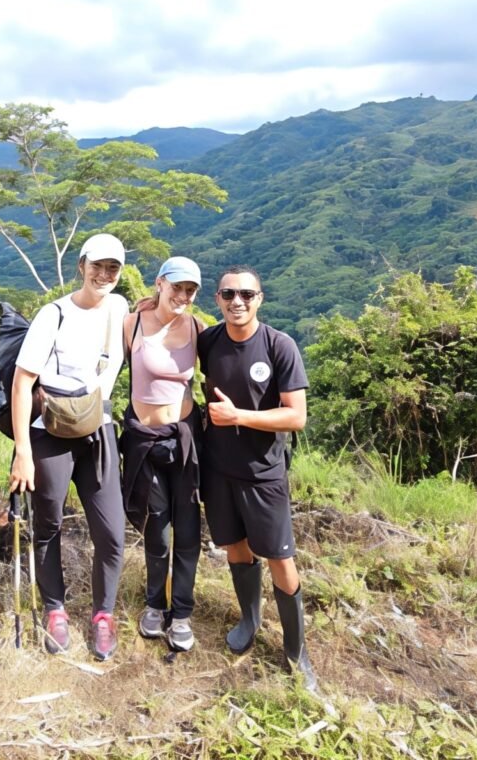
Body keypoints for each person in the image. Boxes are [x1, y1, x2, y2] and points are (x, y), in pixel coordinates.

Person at [8, 233, 129, 661]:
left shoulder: (119, 308)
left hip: (98, 432)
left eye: (112, 268)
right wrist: (23, 450)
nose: (103, 274)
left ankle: (103, 615)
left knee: (112, 533)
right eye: (97, 266)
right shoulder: (53, 314)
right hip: (50, 433)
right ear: (81, 265)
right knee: (49, 525)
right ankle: (55, 609)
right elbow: (23, 384)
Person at [198, 265, 318, 691]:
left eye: (247, 294)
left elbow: (296, 416)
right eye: (229, 294)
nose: (237, 302)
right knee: (235, 547)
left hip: (264, 474)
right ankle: (249, 619)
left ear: (259, 299)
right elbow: (171, 328)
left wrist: (239, 417)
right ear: (217, 299)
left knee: (280, 558)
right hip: (218, 469)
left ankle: (296, 651)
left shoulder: (278, 346)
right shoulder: (208, 340)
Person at [119, 257, 204, 652]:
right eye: (177, 287)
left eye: (190, 290)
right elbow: (106, 369)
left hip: (185, 436)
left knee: (187, 529)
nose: (183, 296)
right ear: (159, 284)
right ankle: (155, 602)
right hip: (145, 438)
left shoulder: (197, 329)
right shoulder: (132, 324)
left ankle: (182, 611)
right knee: (158, 528)